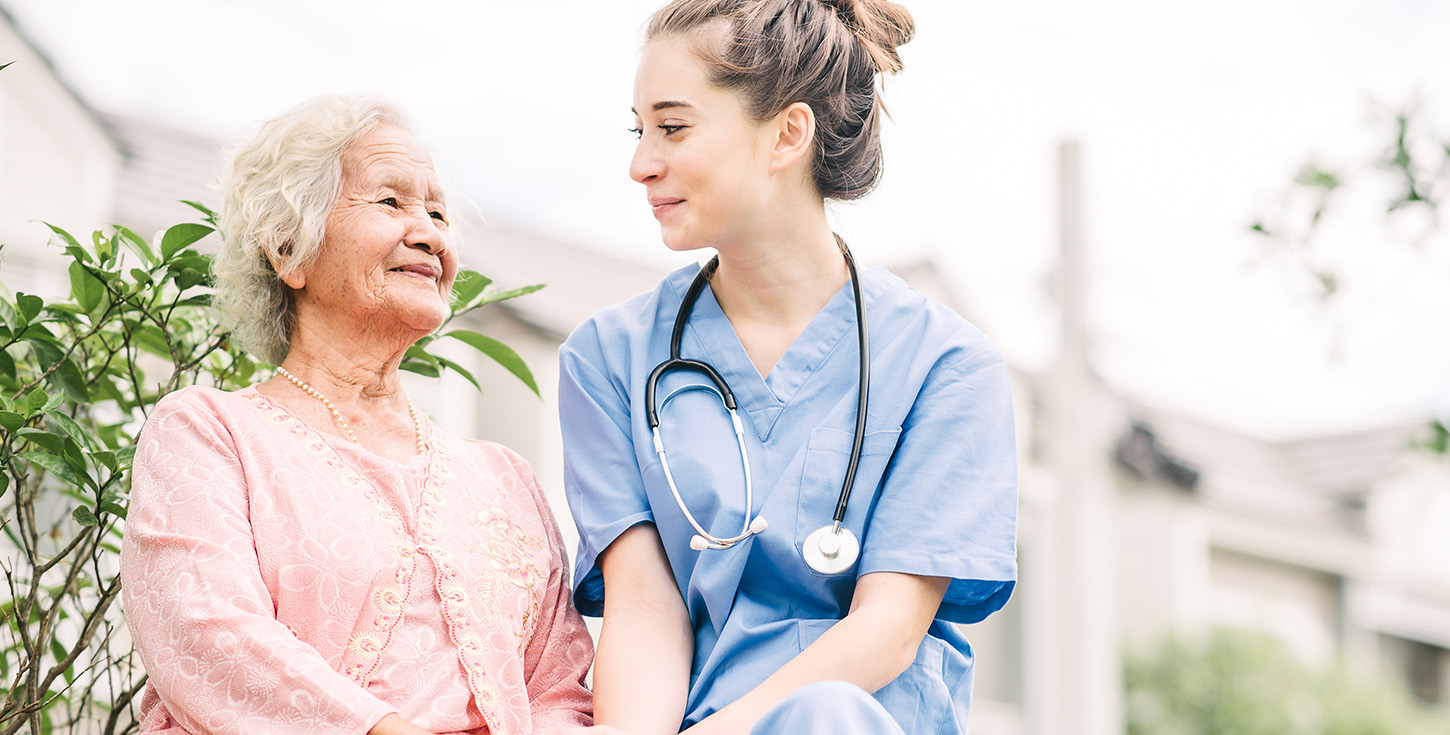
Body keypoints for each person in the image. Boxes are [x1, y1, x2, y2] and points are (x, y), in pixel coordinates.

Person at [557, 1, 1018, 734]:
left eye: (672, 127)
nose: (641, 162)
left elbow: (889, 628)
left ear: (787, 135)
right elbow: (645, 609)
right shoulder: (607, 357)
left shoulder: (949, 367)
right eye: (639, 130)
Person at [119, 95, 596, 735]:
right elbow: (205, 633)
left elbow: (560, 689)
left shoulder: (506, 477)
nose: (430, 233)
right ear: (289, 249)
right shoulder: (210, 431)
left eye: (437, 212)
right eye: (390, 202)